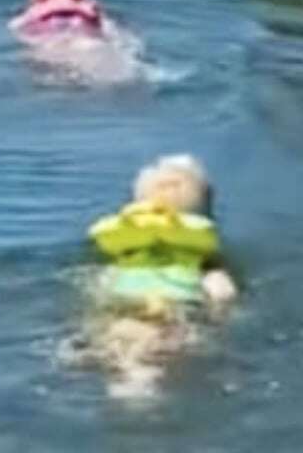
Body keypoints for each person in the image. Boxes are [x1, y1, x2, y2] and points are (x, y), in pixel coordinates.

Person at [73, 155, 237, 398]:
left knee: (116, 338)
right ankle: (138, 378)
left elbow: (98, 286)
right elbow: (223, 296)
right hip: (171, 318)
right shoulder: (208, 268)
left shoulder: (125, 259)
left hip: (121, 310)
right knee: (163, 344)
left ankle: (127, 372)